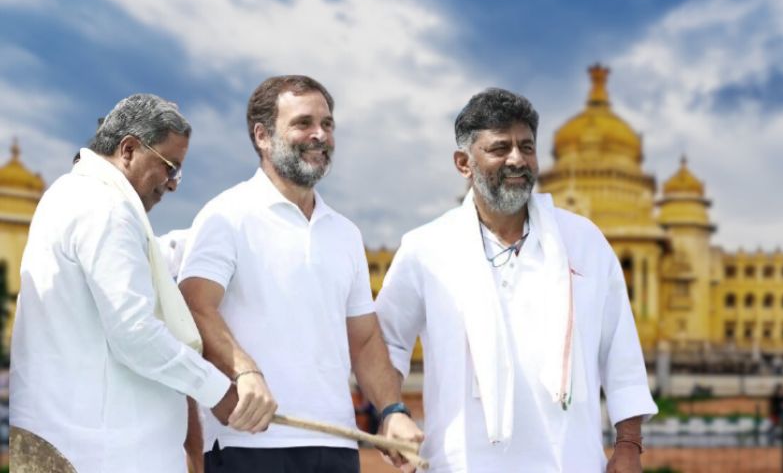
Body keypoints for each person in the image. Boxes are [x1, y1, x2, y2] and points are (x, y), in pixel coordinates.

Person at [375, 88, 657, 472]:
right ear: (463, 163)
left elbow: (620, 351)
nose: (516, 160)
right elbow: (384, 343)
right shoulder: (427, 248)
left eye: (526, 147)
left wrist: (628, 445)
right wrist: (393, 411)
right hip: (462, 462)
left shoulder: (582, 241)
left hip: (569, 461)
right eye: (500, 148)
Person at [178, 75, 422, 472]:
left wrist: (392, 410)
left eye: (327, 124)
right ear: (262, 135)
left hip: (336, 443)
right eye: (303, 123)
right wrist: (246, 371)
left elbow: (363, 340)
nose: (319, 135)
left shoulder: (345, 233)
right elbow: (195, 305)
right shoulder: (226, 215)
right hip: (249, 443)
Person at [10, 94, 242, 472]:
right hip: (98, 452)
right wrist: (217, 390)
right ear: (130, 149)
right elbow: (135, 333)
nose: (172, 185)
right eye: (170, 167)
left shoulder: (77, 197)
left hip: (80, 443)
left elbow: (150, 263)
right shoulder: (105, 208)